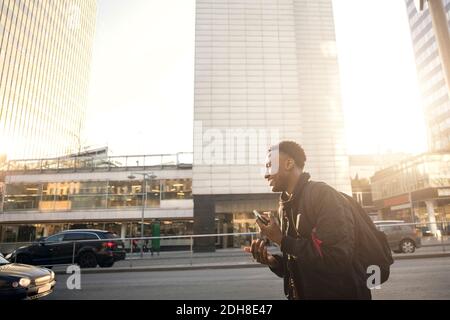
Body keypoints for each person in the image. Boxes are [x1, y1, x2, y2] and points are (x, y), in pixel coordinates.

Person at [244, 141, 371, 300]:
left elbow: (335, 259)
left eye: (270, 165)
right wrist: (273, 262)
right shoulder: (284, 206)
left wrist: (280, 240)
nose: (266, 174)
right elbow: (302, 264)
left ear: (289, 163)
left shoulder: (323, 195)